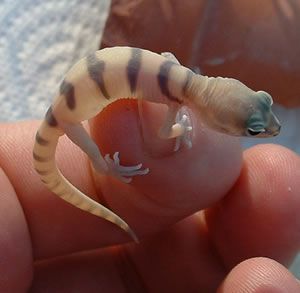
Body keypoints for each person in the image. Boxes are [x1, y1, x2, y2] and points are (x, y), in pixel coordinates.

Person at [0, 99, 299, 292]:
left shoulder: (176, 83)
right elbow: (166, 129)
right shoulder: (174, 98)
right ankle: (105, 167)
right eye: (254, 129)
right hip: (68, 115)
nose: (270, 129)